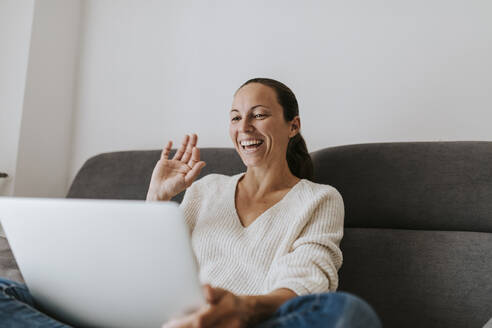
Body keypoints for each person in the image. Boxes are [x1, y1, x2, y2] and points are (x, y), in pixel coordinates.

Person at [0, 78, 382, 328]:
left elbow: (305, 287)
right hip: (156, 321)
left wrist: (240, 309)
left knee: (348, 313)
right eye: (235, 117)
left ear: (293, 126)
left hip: (237, 323)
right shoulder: (205, 189)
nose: (244, 127)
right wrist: (158, 200)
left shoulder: (319, 199)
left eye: (259, 115)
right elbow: (143, 274)